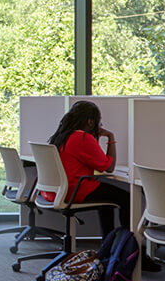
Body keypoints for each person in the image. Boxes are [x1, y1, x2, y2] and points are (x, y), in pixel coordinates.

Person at [45, 100, 130, 237]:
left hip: (55, 190)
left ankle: (108, 244)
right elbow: (109, 167)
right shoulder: (82, 138)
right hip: (74, 189)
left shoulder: (63, 136)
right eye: (98, 121)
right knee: (127, 198)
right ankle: (128, 244)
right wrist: (110, 137)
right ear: (91, 122)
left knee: (107, 201)